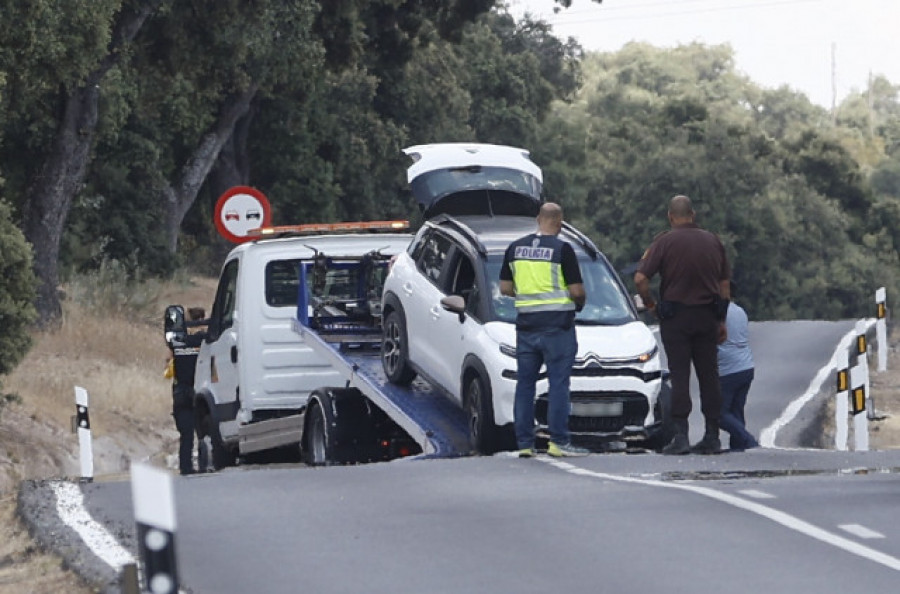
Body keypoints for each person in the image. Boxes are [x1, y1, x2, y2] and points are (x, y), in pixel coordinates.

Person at [634, 195, 731, 455]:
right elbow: (724, 286)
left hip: (676, 318)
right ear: (693, 214)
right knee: (709, 376)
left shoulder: (664, 242)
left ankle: (681, 435)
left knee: (680, 376)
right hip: (707, 316)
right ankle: (712, 435)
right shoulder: (713, 241)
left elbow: (641, 278)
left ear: (670, 216)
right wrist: (721, 320)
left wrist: (652, 305)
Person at [500, 202, 589, 458]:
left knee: (525, 385)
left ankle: (525, 444)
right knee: (558, 384)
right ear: (559, 222)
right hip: (557, 328)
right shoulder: (563, 249)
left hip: (527, 327)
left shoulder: (515, 248)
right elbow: (576, 291)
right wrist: (579, 303)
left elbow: (505, 288)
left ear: (539, 219)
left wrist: (529, 297)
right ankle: (558, 442)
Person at [164, 307, 208, 474]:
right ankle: (206, 464)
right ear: (203, 319)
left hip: (181, 390)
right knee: (204, 432)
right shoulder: (205, 340)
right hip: (201, 390)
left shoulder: (177, 341)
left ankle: (186, 467)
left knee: (186, 434)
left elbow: (167, 360)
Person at [718, 298, 759, 451]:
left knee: (719, 413)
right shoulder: (740, 311)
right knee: (736, 410)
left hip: (728, 368)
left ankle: (749, 441)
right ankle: (738, 447)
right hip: (746, 366)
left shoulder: (718, 312)